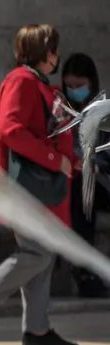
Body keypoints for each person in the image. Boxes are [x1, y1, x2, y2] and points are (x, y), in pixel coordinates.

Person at [0, 25, 80, 345]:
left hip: (35, 187)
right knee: (37, 252)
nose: (56, 56)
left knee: (43, 253)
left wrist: (69, 160)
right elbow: (12, 130)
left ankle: (37, 330)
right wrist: (55, 160)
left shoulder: (34, 82)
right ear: (39, 51)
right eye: (52, 49)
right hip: (26, 188)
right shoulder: (22, 81)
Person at [59, 52, 106, 297]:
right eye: (70, 86)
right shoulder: (59, 110)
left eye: (80, 86)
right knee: (81, 196)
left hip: (102, 179)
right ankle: (85, 273)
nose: (74, 91)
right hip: (72, 184)